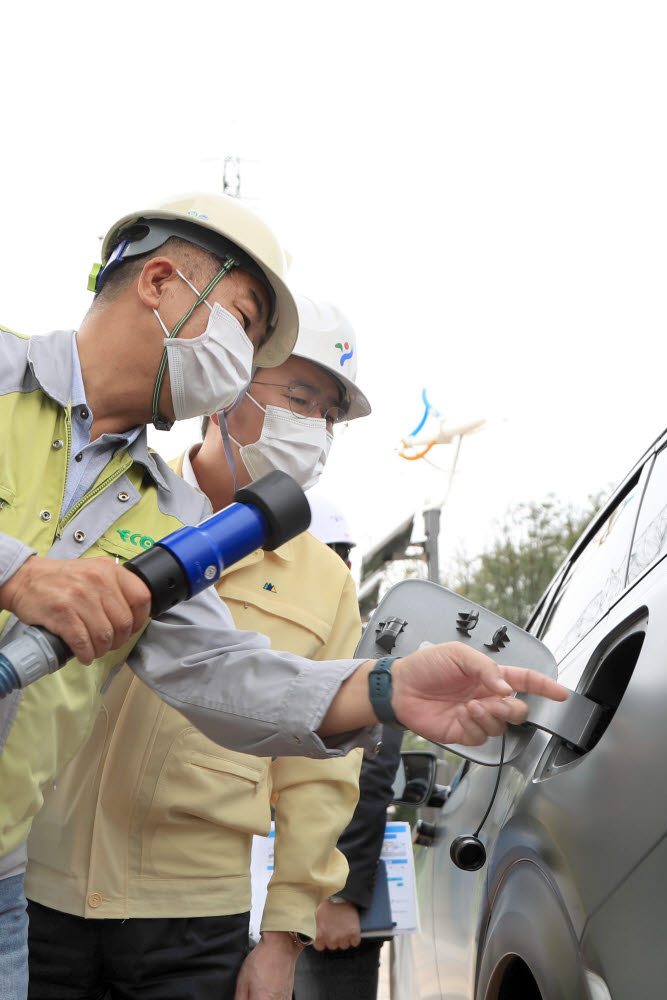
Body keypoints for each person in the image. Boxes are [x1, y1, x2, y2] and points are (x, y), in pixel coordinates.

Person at [0, 191, 568, 998]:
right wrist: (18, 572)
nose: (241, 358)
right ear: (160, 281)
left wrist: (384, 687)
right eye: (242, 323)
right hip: (46, 887)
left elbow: (222, 673)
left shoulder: (160, 515)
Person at [25, 295, 371, 1000]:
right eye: (299, 396)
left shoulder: (326, 580)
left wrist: (281, 941)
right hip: (39, 889)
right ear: (229, 384)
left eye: (328, 415)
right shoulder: (123, 502)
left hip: (193, 920)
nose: (313, 428)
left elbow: (319, 781)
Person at [294, 499, 402, 1000]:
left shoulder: (366, 649)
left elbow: (370, 774)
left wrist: (339, 894)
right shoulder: (274, 635)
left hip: (326, 909)